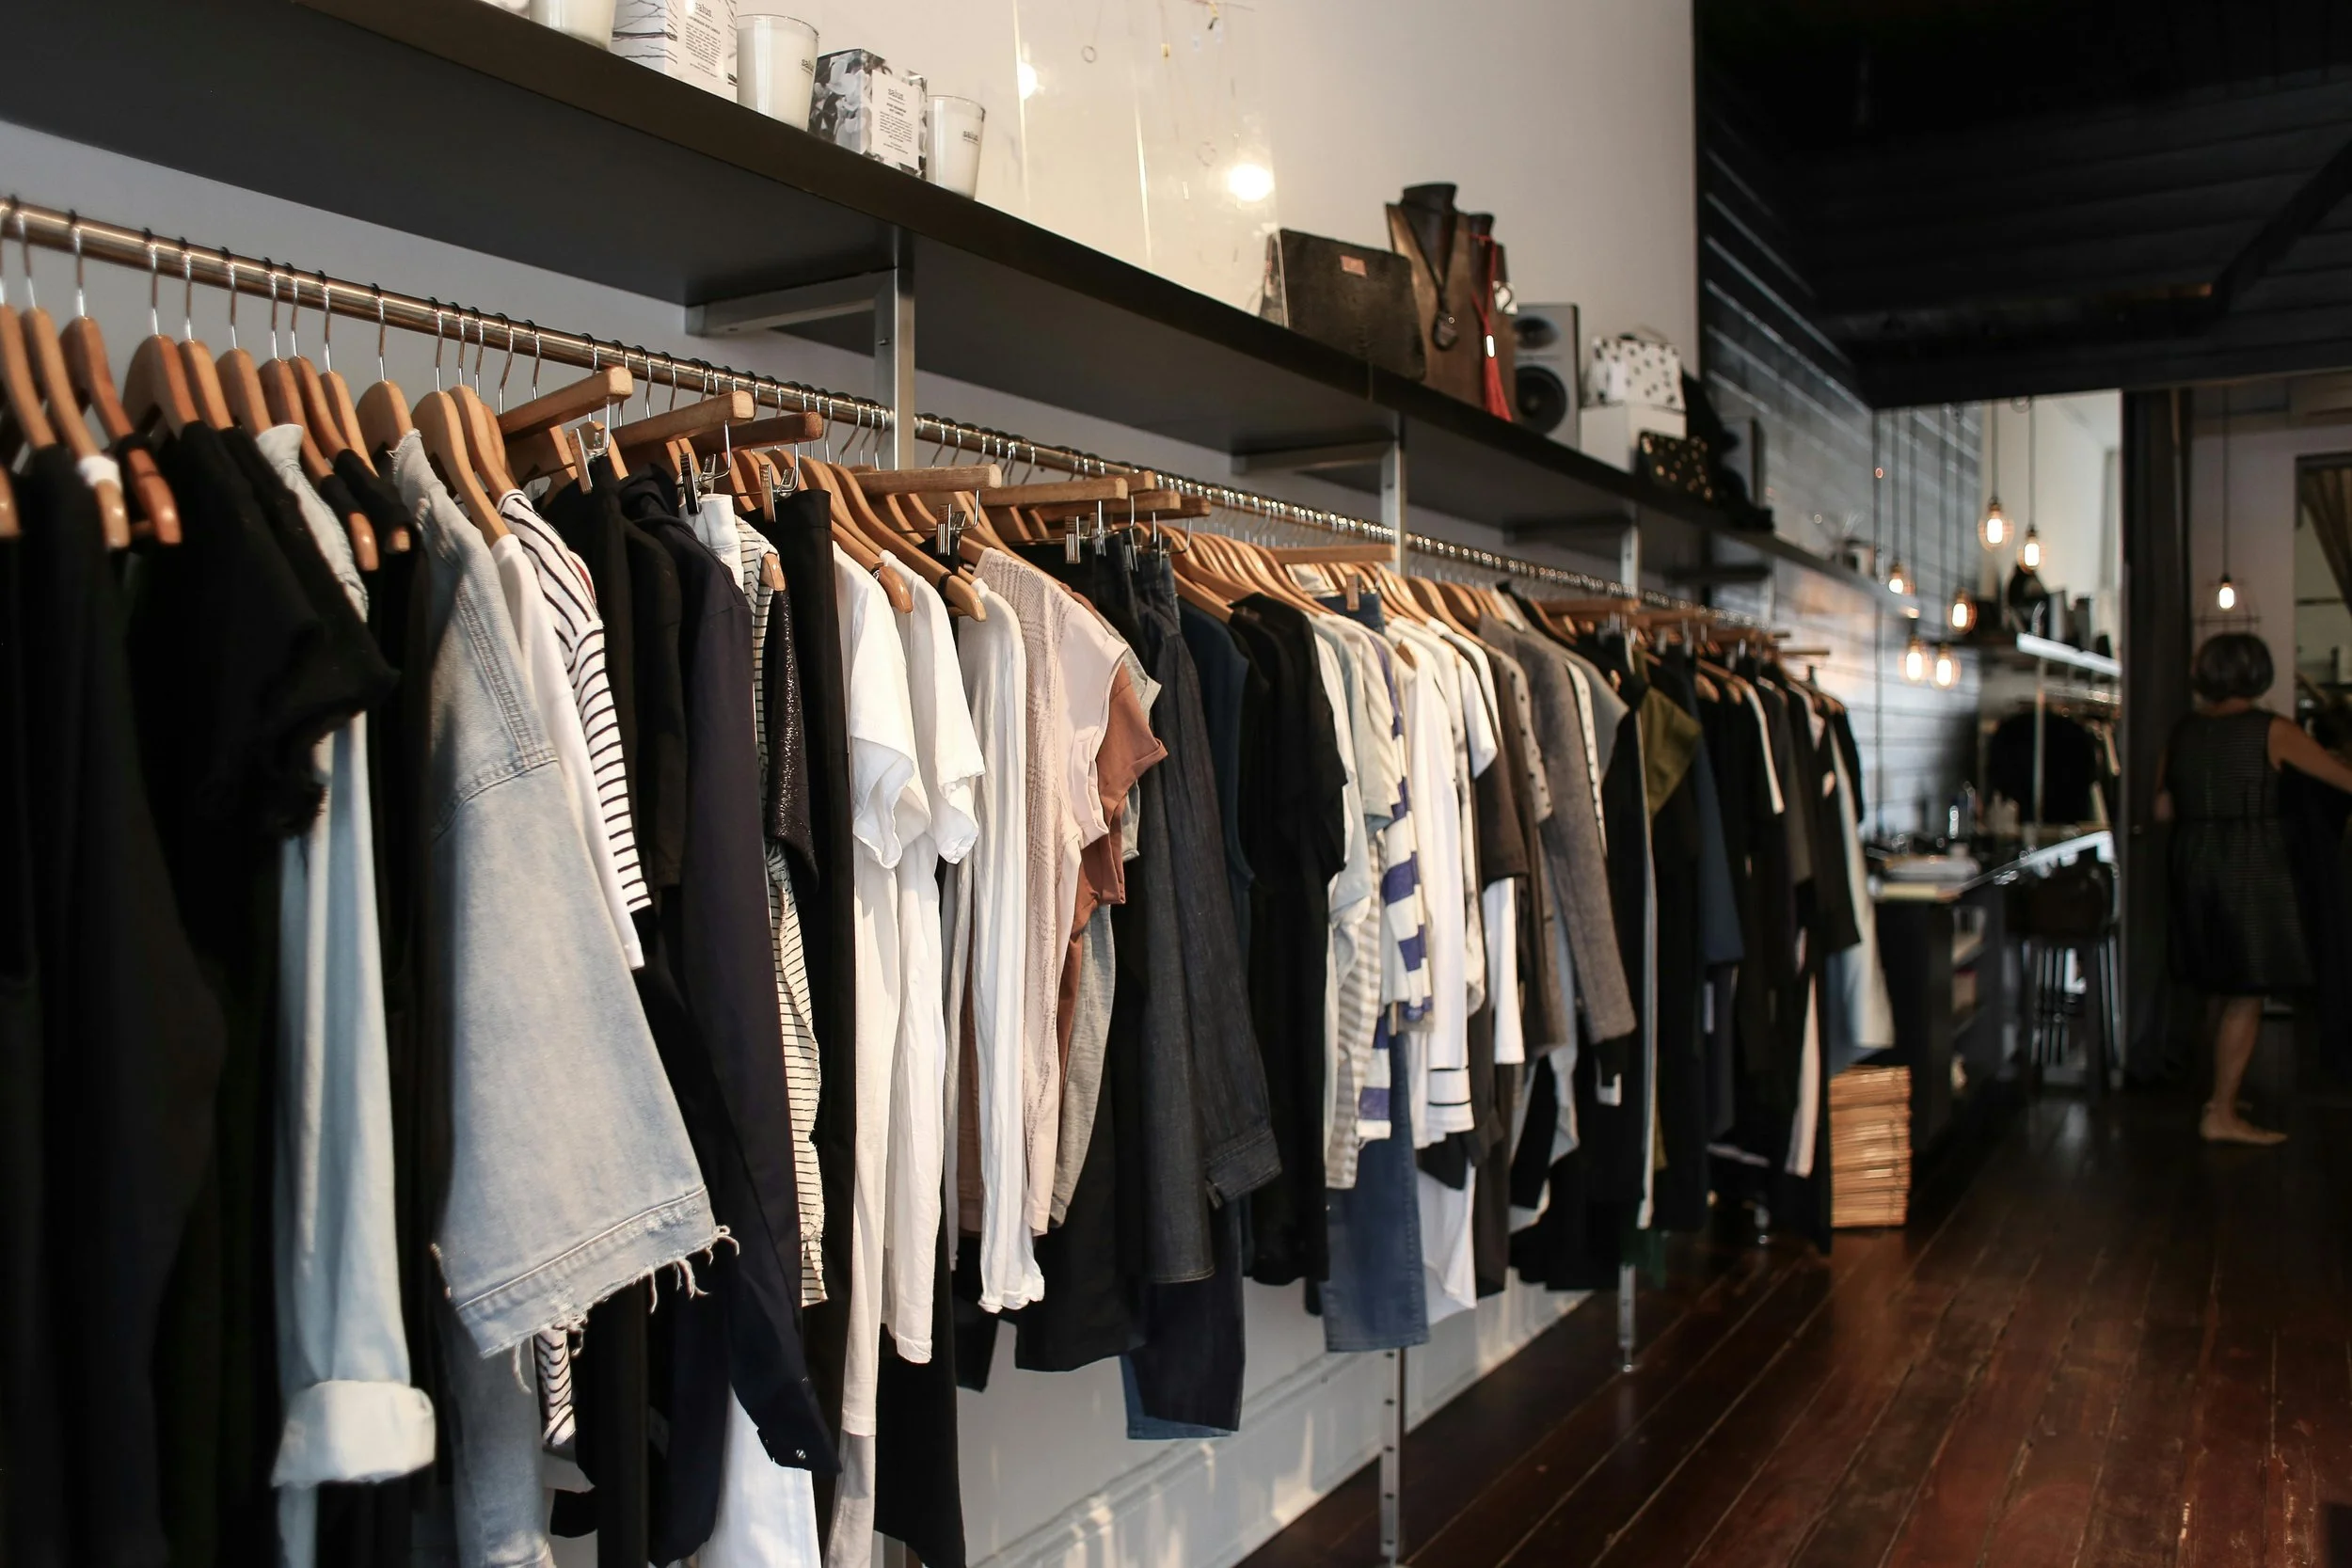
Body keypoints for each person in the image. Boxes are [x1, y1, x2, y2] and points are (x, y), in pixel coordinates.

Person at [2157, 632, 2352, 1144]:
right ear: (2257, 673)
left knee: (2219, 983)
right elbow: (2341, 779)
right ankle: (2221, 1113)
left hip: (2192, 863)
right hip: (2249, 866)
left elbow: (2162, 809)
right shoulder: (2272, 730)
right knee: (2247, 990)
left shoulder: (2183, 733)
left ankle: (2221, 1091)